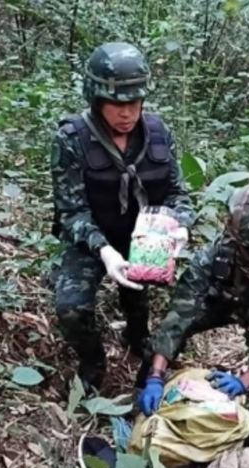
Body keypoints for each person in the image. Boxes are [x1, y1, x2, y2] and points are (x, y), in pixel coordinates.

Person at [51, 42, 195, 390]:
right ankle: (93, 364)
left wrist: (181, 228)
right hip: (92, 239)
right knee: (70, 309)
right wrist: (104, 250)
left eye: (133, 103)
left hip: (144, 236)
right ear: (96, 100)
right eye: (116, 105)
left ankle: (137, 338)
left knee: (139, 295)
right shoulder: (72, 139)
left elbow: (179, 193)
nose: (126, 113)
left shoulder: (158, 134)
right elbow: (71, 212)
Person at [139, 180, 249, 415]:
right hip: (222, 301)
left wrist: (245, 380)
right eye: (245, 248)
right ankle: (144, 387)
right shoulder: (216, 253)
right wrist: (156, 376)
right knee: (161, 342)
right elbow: (180, 312)